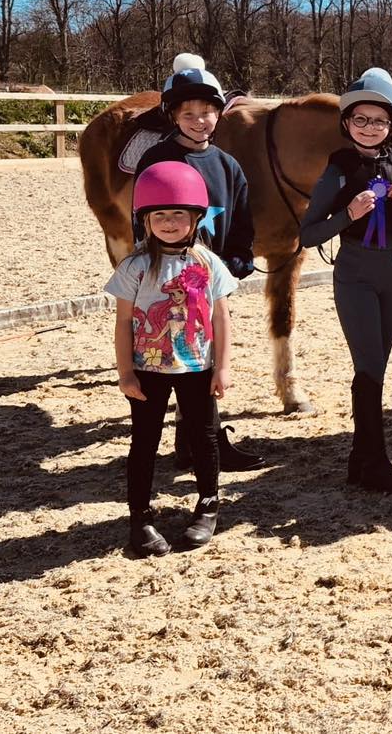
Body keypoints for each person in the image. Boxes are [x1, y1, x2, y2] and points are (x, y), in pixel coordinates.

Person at [299, 70, 392, 495]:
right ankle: (376, 462)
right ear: (347, 123)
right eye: (360, 120)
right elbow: (308, 234)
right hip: (356, 274)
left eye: (378, 121)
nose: (369, 128)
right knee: (369, 365)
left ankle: (361, 459)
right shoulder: (339, 169)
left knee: (376, 366)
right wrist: (348, 216)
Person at [134, 52, 263, 472]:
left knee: (205, 357)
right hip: (171, 279)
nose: (199, 120)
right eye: (189, 113)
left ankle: (196, 440)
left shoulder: (227, 165)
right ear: (174, 115)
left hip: (211, 279)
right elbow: (146, 220)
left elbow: (242, 218)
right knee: (180, 357)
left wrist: (240, 257)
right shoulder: (157, 160)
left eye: (207, 111)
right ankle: (196, 440)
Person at [106, 161, 237, 556]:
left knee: (204, 436)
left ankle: (209, 505)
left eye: (178, 213)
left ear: (196, 217)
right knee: (144, 441)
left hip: (198, 365)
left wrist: (224, 365)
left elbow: (220, 315)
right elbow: (125, 320)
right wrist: (125, 371)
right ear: (145, 220)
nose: (168, 222)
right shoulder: (135, 267)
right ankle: (140, 518)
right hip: (148, 368)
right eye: (158, 214)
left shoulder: (208, 264)